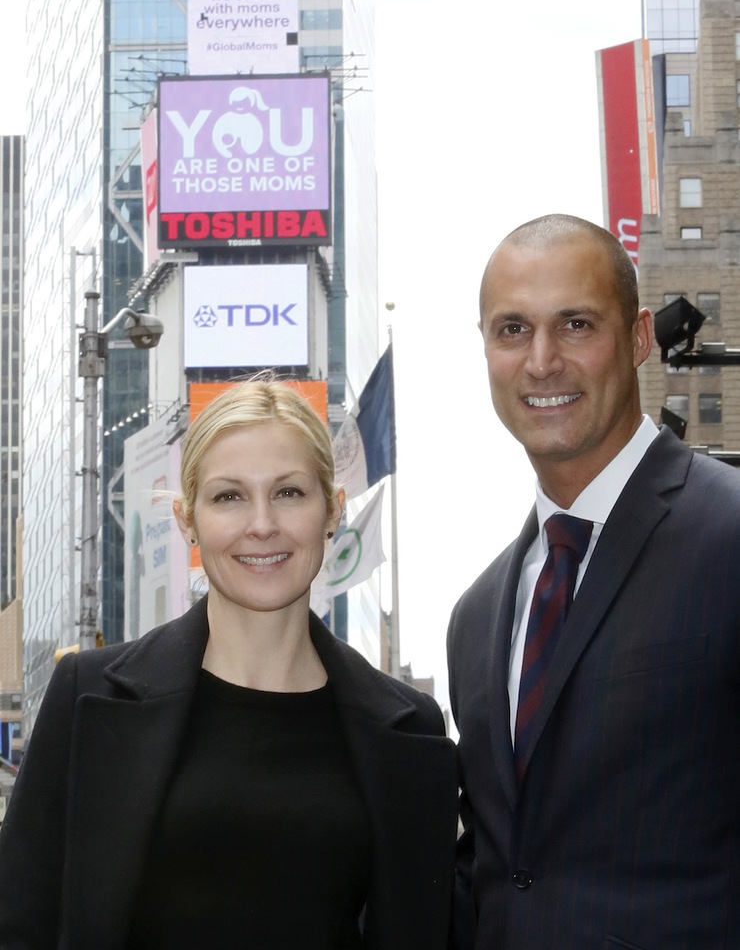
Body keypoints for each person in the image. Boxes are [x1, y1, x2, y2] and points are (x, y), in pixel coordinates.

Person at [0, 379, 458, 950]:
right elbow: (22, 920)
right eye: (229, 497)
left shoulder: (409, 727)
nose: (261, 524)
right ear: (187, 519)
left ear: (333, 510)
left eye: (290, 492)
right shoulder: (89, 697)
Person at [447, 214, 740, 950]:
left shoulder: (730, 534)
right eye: (512, 330)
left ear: (640, 337)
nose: (542, 361)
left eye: (575, 324)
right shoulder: (476, 618)